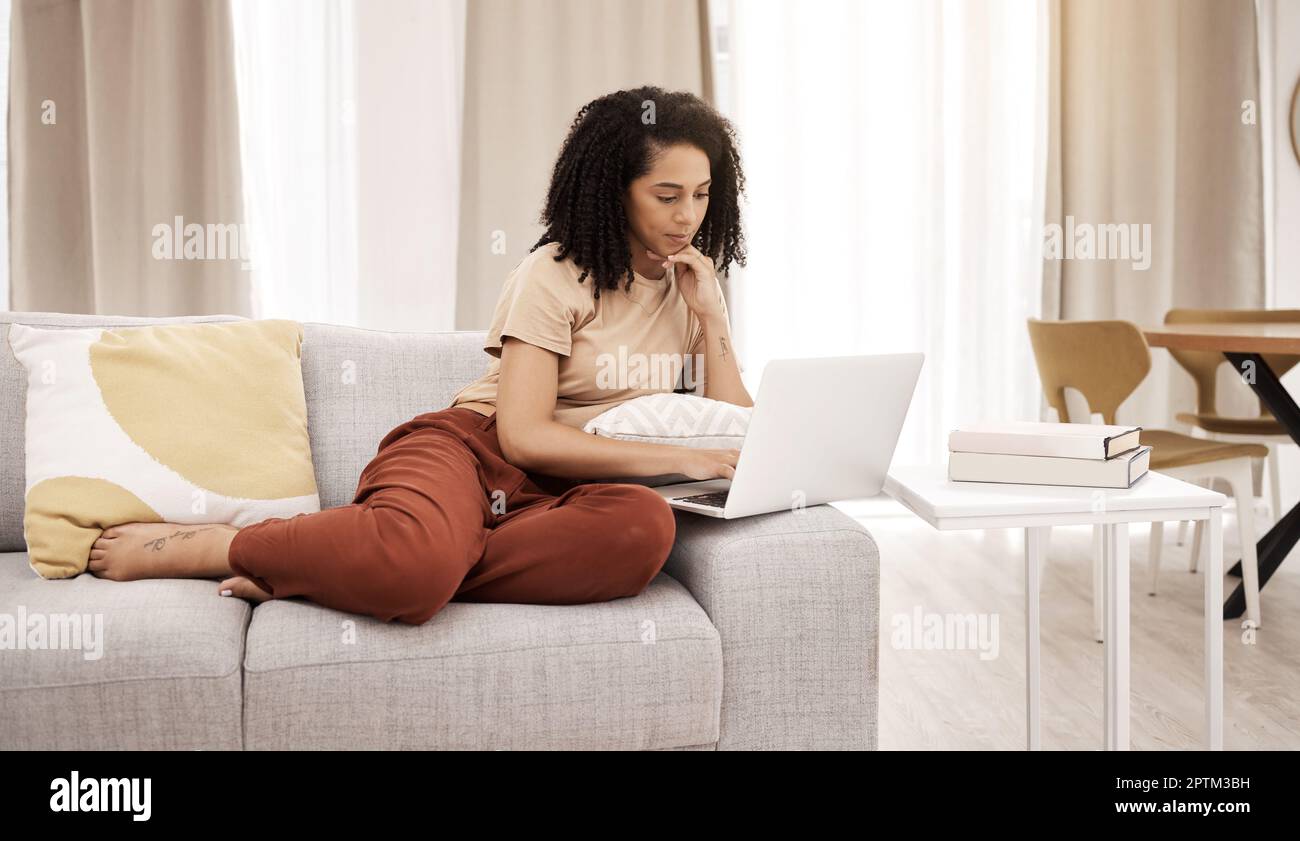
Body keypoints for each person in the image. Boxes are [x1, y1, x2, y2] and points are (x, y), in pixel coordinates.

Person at [87, 86, 753, 625]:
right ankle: (222, 545)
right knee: (420, 563)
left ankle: (371, 563)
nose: (687, 215)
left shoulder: (689, 290)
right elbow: (522, 436)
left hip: (566, 499)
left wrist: (712, 316)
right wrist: (681, 459)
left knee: (641, 530)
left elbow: (733, 429)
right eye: (666, 195)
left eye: (700, 195)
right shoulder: (554, 274)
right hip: (470, 452)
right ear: (615, 190)